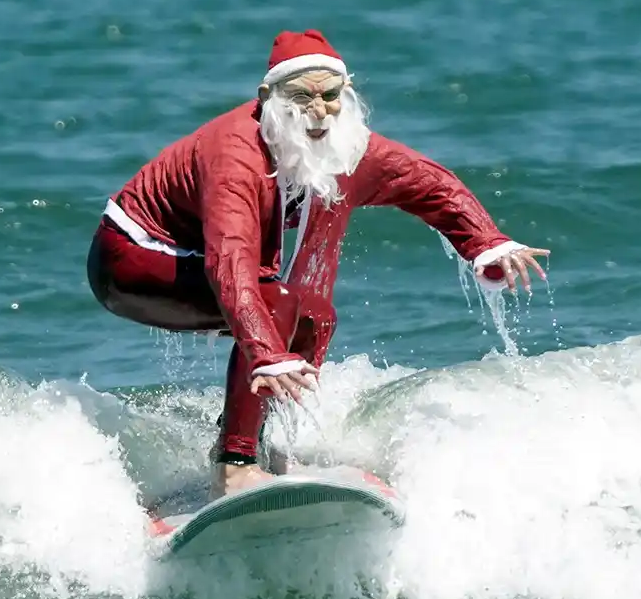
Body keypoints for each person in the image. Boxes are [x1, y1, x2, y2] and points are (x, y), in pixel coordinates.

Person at [87, 29, 549, 499]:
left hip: (204, 254)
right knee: (277, 306)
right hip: (131, 256)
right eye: (301, 96)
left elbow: (427, 183)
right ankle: (234, 464)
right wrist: (265, 353)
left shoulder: (343, 147)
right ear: (268, 96)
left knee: (313, 316)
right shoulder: (236, 156)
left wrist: (486, 244)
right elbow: (231, 261)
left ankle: (260, 445)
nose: (318, 110)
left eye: (330, 96)